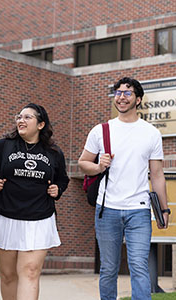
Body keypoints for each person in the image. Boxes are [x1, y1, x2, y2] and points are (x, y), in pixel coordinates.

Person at [78, 77, 170, 300]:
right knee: (109, 269)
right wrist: (99, 166)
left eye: (127, 93)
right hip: (106, 209)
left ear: (138, 99)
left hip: (138, 210)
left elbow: (157, 175)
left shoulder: (150, 133)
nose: (121, 96)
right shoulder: (101, 131)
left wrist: (164, 210)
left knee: (138, 265)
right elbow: (83, 163)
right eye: (118, 93)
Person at [0, 103, 69, 300]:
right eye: (19, 117)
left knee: (30, 272)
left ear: (40, 124)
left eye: (27, 117)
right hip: (5, 215)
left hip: (39, 218)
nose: (21, 120)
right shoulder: (3, 146)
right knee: (8, 274)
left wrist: (58, 190)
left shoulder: (54, 152)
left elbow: (62, 179)